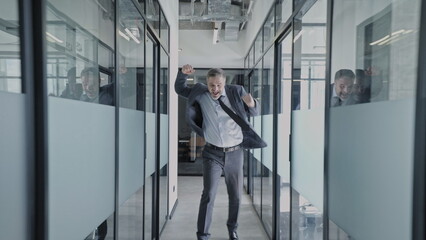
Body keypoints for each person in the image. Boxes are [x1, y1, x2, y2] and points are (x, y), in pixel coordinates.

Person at [175, 64, 263, 240]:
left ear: (224, 83)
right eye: (212, 85)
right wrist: (181, 74)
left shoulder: (236, 91)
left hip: (235, 153)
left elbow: (254, 110)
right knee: (208, 195)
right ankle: (203, 235)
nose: (215, 89)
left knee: (235, 195)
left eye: (219, 85)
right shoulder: (200, 92)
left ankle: (232, 229)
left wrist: (252, 103)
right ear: (206, 84)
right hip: (212, 153)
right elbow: (180, 89)